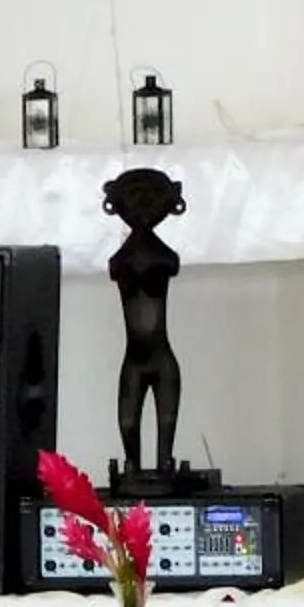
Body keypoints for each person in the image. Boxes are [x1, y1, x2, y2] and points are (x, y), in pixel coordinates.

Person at [103, 166, 187, 479]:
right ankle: (132, 470)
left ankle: (163, 468)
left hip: (160, 357)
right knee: (128, 425)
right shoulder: (125, 256)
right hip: (135, 360)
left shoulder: (161, 255)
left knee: (165, 431)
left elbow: (167, 262)